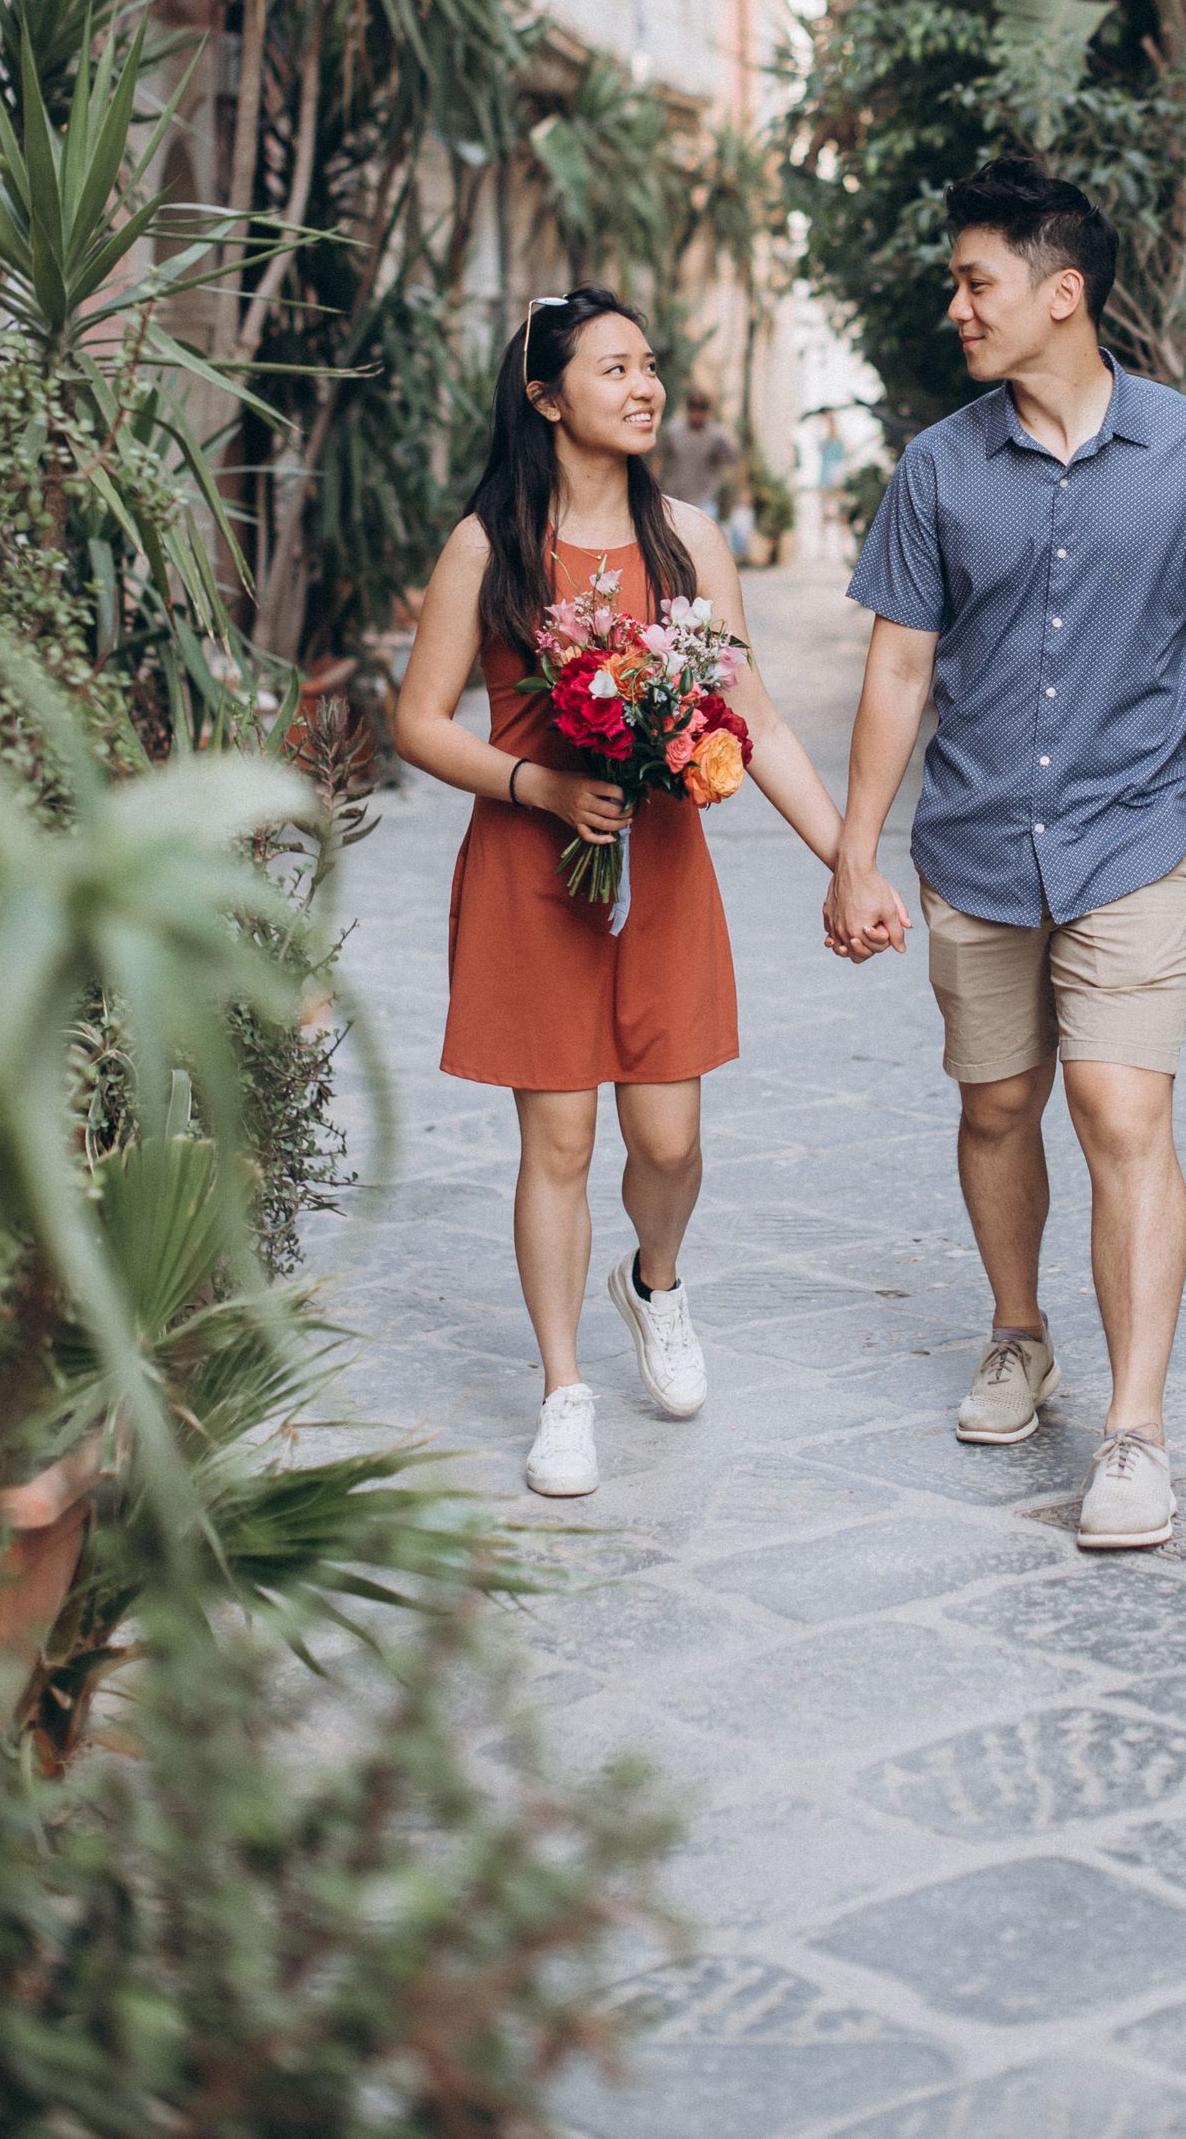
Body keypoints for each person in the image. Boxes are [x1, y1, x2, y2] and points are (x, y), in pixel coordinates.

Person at [825, 160, 1186, 1553]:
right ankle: (1018, 1335)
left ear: (1062, 293)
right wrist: (855, 855)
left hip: (1134, 835)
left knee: (1118, 1112)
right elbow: (899, 670)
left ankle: (1137, 1431)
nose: (957, 306)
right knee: (996, 1110)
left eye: (977, 282)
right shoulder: (939, 468)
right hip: (974, 842)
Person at [395, 289, 844, 1499]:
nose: (643, 386)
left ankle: (653, 1280)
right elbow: (415, 722)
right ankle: (562, 1390)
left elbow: (747, 711)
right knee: (559, 1137)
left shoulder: (687, 540)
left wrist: (844, 853)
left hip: (657, 870)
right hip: (530, 872)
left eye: (649, 365)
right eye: (614, 367)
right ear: (546, 396)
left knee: (668, 1136)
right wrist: (538, 784)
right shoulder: (486, 544)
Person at [661, 386, 738, 518]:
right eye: (693, 406)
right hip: (675, 499)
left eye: (701, 407)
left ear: (707, 410)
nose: (696, 412)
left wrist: (740, 493)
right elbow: (658, 455)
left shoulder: (716, 436)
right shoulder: (673, 430)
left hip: (705, 502)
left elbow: (735, 462)